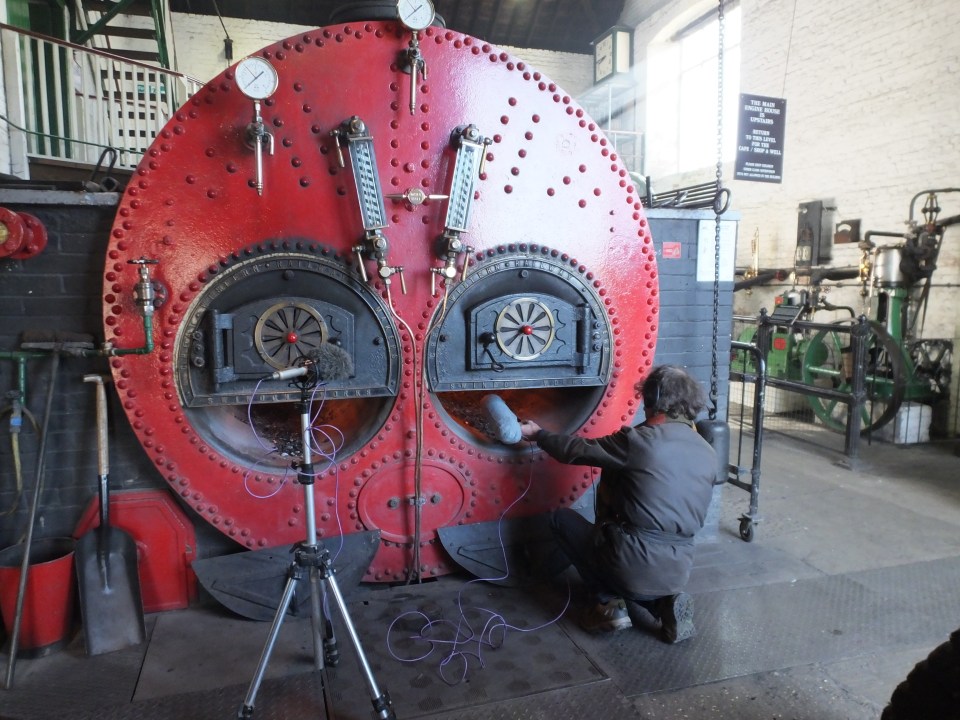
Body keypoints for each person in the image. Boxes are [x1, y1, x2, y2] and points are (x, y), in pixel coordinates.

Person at [519, 365, 717, 643]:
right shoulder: (708, 451)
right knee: (641, 570)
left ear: (652, 398)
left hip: (630, 562)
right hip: (679, 568)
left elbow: (576, 450)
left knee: (562, 520)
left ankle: (607, 603)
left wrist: (539, 434)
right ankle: (664, 604)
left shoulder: (639, 441)